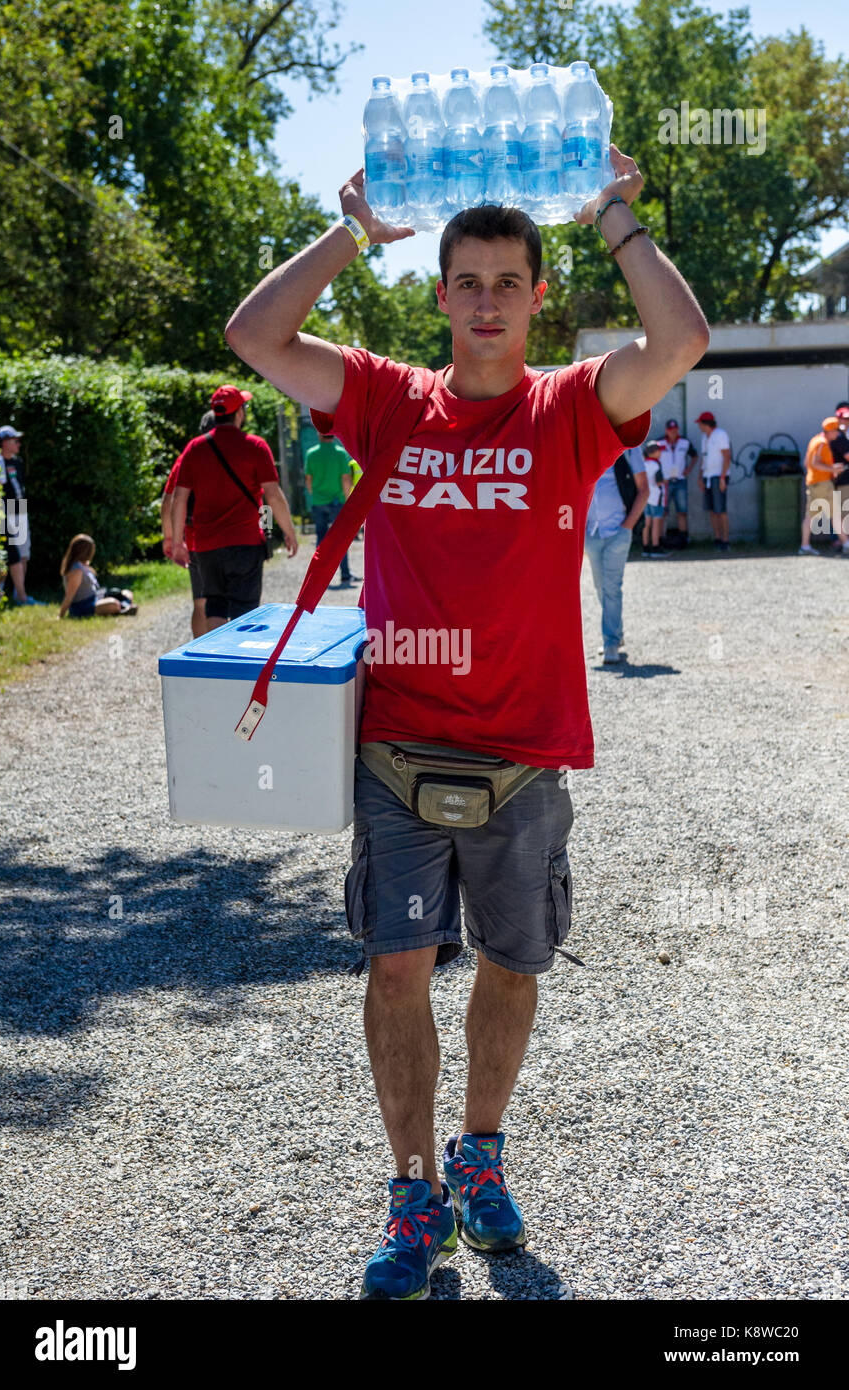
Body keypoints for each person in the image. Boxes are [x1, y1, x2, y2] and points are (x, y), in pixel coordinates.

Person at [224, 147, 709, 1301]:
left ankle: (479, 1154)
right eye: (467, 280)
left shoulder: (571, 409)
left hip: (525, 755)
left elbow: (681, 344)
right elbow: (255, 336)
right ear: (438, 294)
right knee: (396, 969)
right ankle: (411, 1189)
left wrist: (614, 217)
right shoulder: (389, 398)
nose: (487, 300)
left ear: (541, 297)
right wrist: (350, 234)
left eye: (508, 281)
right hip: (395, 748)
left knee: (510, 962)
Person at [169, 385, 299, 628]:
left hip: (207, 545)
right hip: (245, 542)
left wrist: (177, 542)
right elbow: (273, 495)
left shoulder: (194, 449)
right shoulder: (256, 446)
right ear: (239, 412)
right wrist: (288, 531)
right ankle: (239, 662)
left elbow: (179, 499)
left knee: (215, 604)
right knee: (244, 609)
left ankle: (218, 662)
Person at [585, 444, 649, 661]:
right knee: (600, 587)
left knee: (612, 587)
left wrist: (628, 525)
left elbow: (643, 488)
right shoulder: (585, 444)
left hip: (618, 530)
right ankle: (616, 632)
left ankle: (611, 643)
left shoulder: (630, 448)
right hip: (591, 532)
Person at [162, 409, 215, 637]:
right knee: (233, 603)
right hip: (233, 538)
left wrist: (171, 539)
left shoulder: (188, 456)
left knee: (201, 602)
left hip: (195, 539)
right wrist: (268, 531)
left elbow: (168, 501)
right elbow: (264, 497)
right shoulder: (242, 450)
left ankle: (201, 656)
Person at [0, 425, 42, 605]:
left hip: (19, 507)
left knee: (22, 553)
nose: (19, 444)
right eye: (15, 441)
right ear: (5, 443)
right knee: (3, 553)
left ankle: (18, 593)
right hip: (1, 509)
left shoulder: (17, 462)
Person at [304, 428, 357, 586]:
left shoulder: (311, 453)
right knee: (340, 540)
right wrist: (347, 499)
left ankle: (316, 578)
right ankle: (345, 574)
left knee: (320, 539)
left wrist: (315, 494)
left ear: (320, 434)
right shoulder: (341, 453)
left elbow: (308, 479)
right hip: (337, 502)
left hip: (319, 502)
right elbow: (346, 479)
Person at [58, 534, 137, 618]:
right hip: (82, 606)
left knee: (127, 593)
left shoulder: (83, 565)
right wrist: (60, 616)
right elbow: (69, 596)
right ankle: (123, 608)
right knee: (113, 603)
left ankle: (124, 607)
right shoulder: (76, 571)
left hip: (95, 597)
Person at [798, 416, 842, 556]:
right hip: (822, 484)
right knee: (835, 514)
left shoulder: (815, 440)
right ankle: (846, 543)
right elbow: (814, 463)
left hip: (814, 483)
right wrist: (833, 470)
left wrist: (830, 470)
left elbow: (807, 463)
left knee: (810, 516)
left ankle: (805, 546)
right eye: (836, 431)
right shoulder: (822, 442)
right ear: (829, 431)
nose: (837, 434)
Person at [695, 411, 732, 551]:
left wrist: (723, 478)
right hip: (707, 476)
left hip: (718, 476)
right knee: (712, 510)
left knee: (720, 509)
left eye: (700, 423)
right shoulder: (704, 437)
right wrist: (700, 476)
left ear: (706, 424)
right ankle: (717, 538)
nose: (699, 426)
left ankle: (725, 540)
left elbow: (727, 457)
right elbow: (703, 458)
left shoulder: (720, 435)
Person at [658, 417, 698, 545]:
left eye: (675, 430)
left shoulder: (685, 442)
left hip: (680, 480)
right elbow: (649, 458)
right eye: (670, 430)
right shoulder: (659, 443)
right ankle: (660, 538)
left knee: (682, 511)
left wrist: (689, 469)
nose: (673, 432)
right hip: (666, 482)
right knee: (663, 512)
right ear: (666, 431)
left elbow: (695, 456)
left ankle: (683, 538)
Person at [640, 439, 671, 558]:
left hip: (645, 498)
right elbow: (658, 482)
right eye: (659, 451)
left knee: (646, 523)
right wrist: (665, 480)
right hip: (656, 497)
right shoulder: (656, 465)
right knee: (656, 522)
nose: (661, 453)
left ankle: (645, 547)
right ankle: (655, 546)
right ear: (653, 452)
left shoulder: (643, 464)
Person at [828, 404, 849, 554]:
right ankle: (844, 542)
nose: (846, 421)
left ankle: (842, 542)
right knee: (843, 514)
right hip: (843, 481)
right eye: (843, 419)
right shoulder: (839, 438)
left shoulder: (838, 436)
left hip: (840, 481)